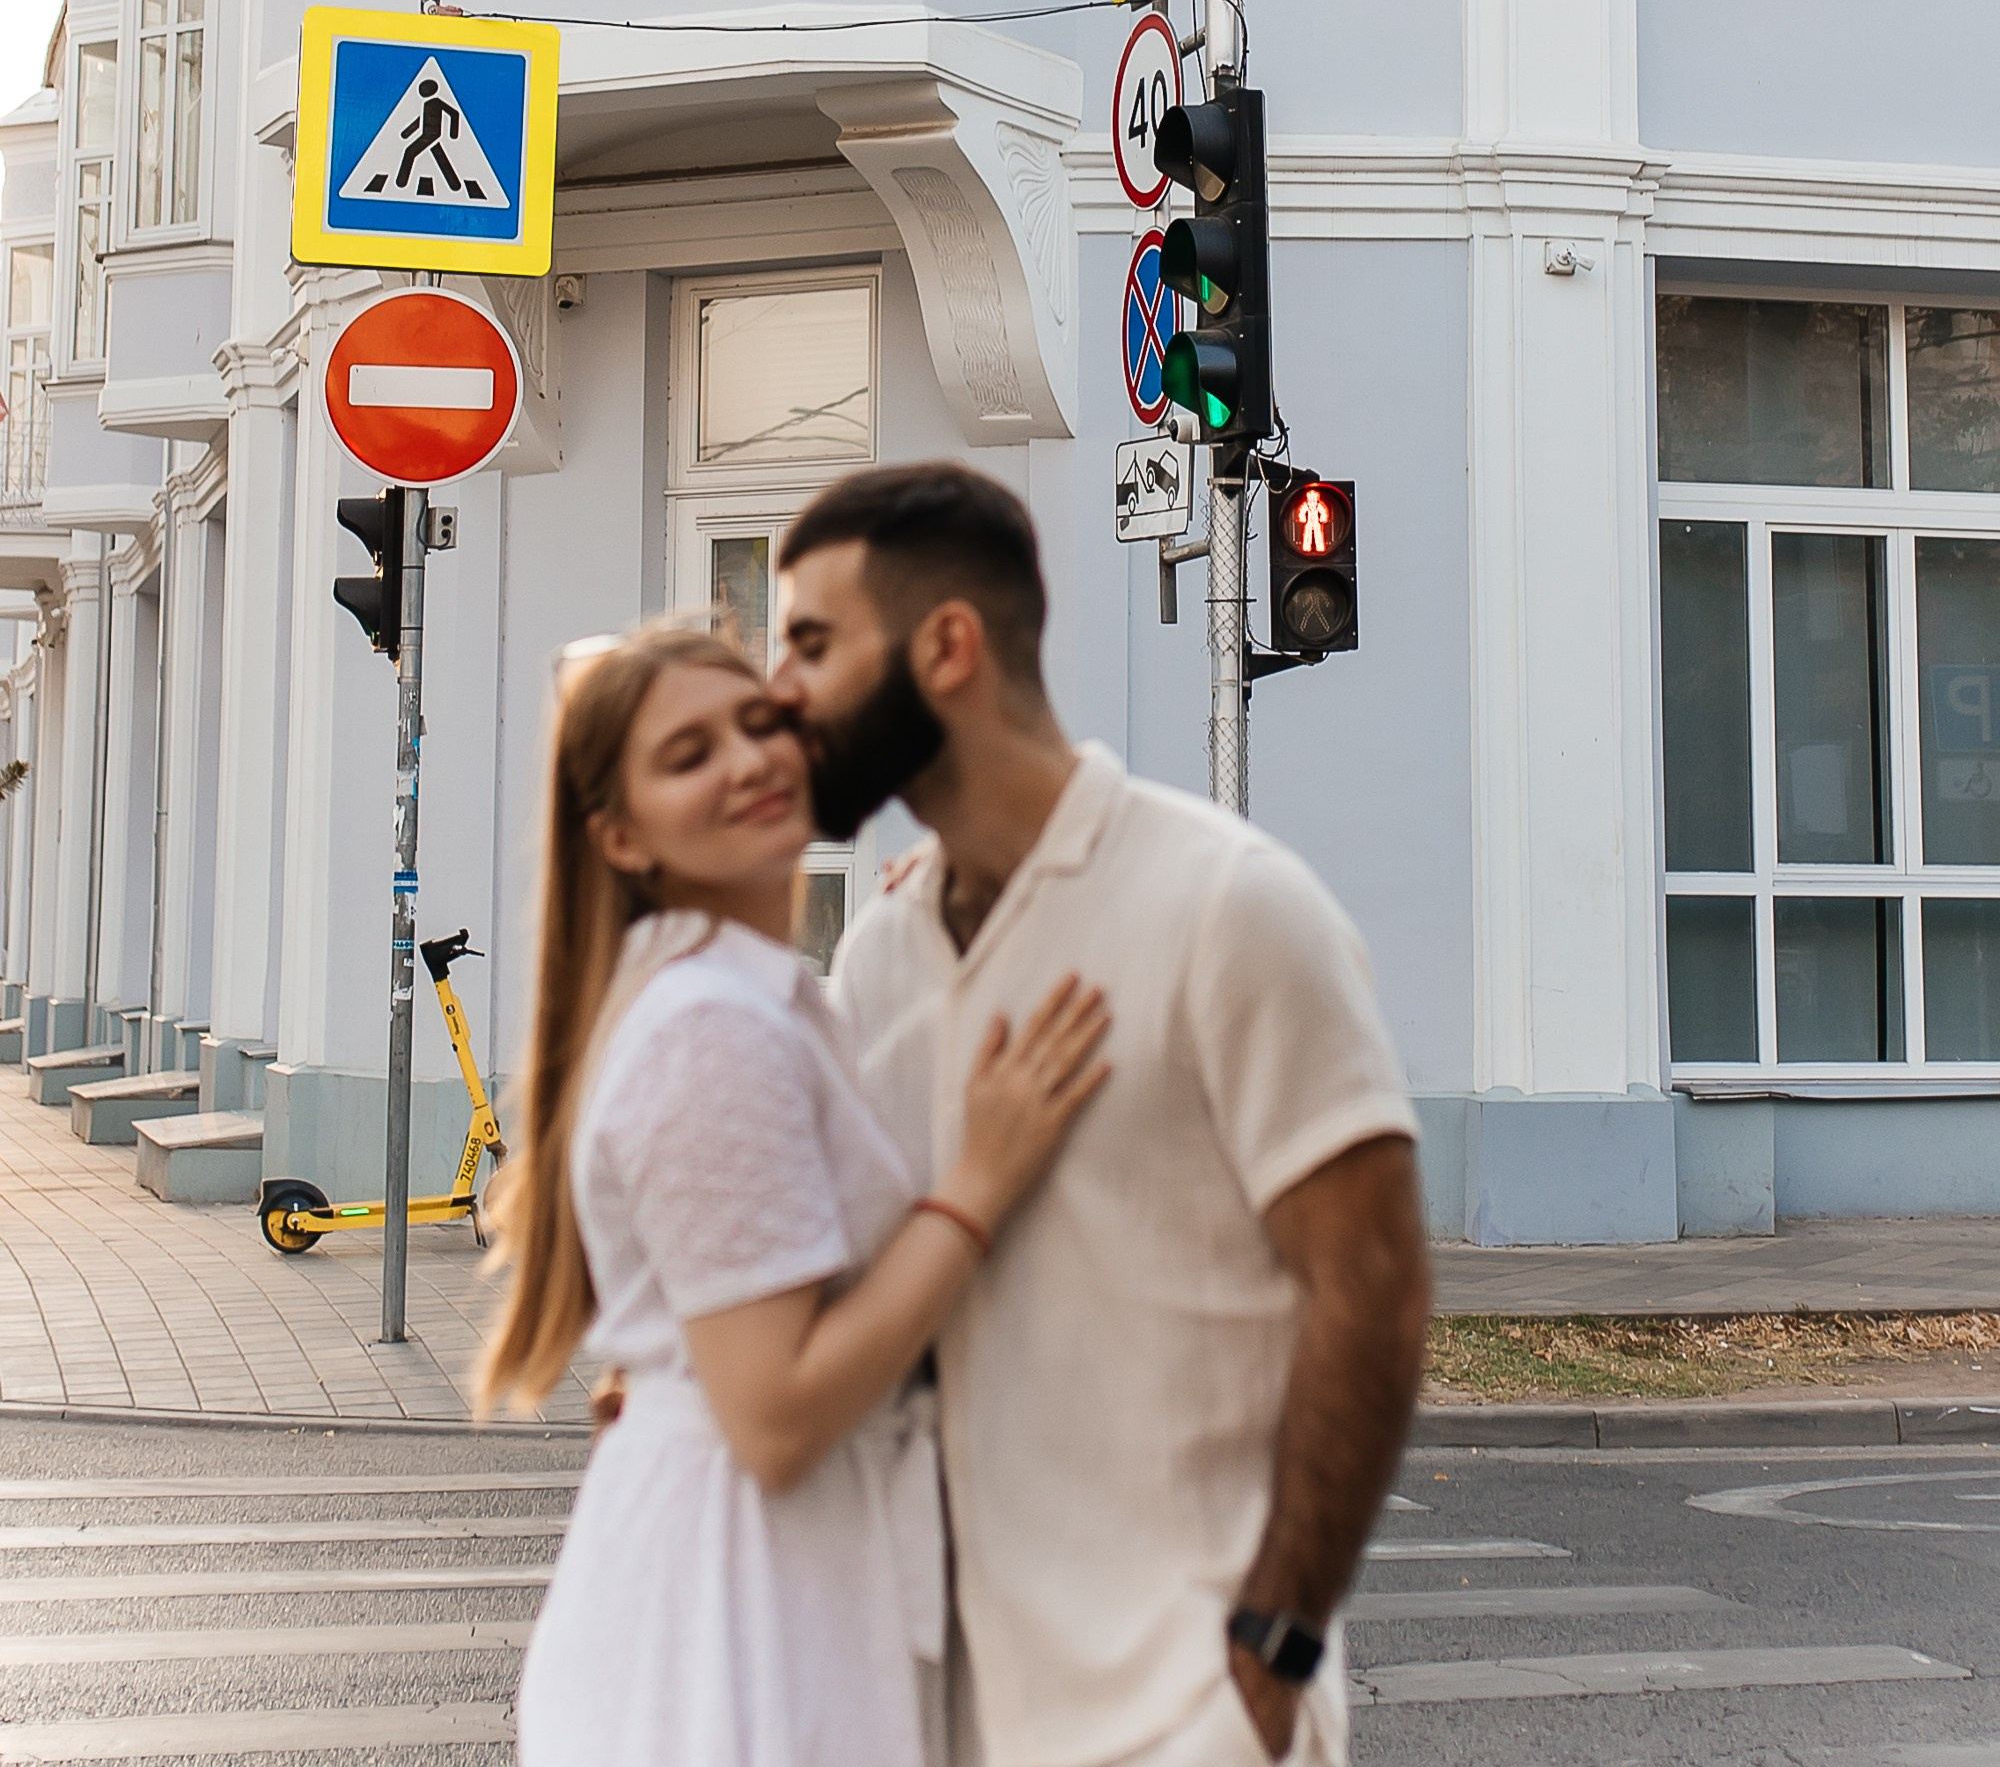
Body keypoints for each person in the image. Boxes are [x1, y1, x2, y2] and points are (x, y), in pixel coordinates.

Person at [769, 465, 1430, 1767]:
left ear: (946, 647)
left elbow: (1375, 1288)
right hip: (944, 1706)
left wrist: (1275, 1646)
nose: (778, 690)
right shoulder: (883, 956)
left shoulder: (1229, 907)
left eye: (810, 643)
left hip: (1179, 1710)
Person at [478, 622, 1111, 1767]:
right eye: (688, 755)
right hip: (743, 1612)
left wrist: (937, 911)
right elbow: (774, 1419)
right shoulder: (711, 1028)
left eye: (758, 722)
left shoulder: (746, 997)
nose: (746, 760)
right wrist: (980, 1181)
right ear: (620, 836)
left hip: (751, 1574)